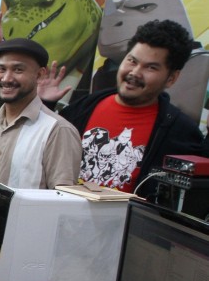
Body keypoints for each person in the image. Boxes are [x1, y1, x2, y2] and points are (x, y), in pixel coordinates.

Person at [0, 38, 81, 281]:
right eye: (2, 69)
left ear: (40, 74)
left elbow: (64, 208)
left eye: (18, 69)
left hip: (25, 268)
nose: (7, 78)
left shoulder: (57, 131)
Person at [59, 19, 207, 196]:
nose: (135, 73)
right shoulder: (82, 108)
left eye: (150, 67)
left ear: (171, 78)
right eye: (132, 61)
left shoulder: (180, 132)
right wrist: (45, 104)